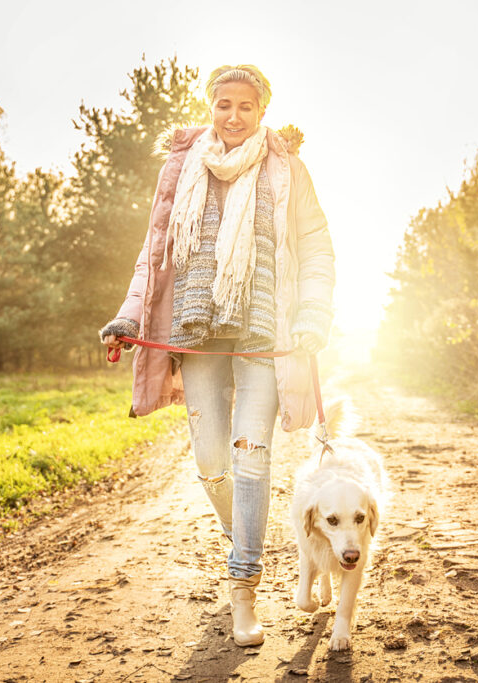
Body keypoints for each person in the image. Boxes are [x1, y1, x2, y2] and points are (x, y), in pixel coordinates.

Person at [100, 64, 335, 646]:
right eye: (222, 105)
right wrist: (128, 316)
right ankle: (248, 536)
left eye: (245, 107)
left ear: (262, 112)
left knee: (251, 456)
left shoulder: (287, 170)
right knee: (211, 464)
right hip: (196, 334)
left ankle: (243, 589)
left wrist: (312, 316)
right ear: (210, 107)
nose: (233, 117)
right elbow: (153, 255)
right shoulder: (180, 167)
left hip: (264, 336)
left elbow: (316, 249)